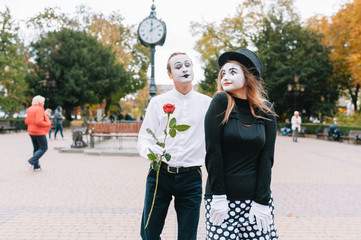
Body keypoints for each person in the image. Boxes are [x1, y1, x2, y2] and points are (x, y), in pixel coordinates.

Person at [204, 49, 278, 240]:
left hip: (255, 201)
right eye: (223, 73)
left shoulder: (266, 110)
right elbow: (213, 151)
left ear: (248, 76)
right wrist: (218, 196)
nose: (225, 77)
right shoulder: (221, 102)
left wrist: (263, 201)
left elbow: (267, 158)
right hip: (223, 200)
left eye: (232, 72)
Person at [137, 52, 212, 240]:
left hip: (191, 177)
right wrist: (150, 152)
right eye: (178, 67)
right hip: (160, 174)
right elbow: (144, 139)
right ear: (170, 74)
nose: (184, 69)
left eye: (188, 64)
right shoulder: (157, 103)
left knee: (188, 237)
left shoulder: (207, 103)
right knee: (148, 232)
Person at [25, 95, 51, 171]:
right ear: (39, 102)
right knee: (44, 147)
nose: (43, 103)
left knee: (36, 148)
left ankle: (36, 166)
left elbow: (26, 121)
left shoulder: (29, 109)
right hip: (39, 132)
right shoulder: (40, 109)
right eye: (43, 102)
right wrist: (47, 124)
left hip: (31, 131)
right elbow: (39, 121)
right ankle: (31, 161)